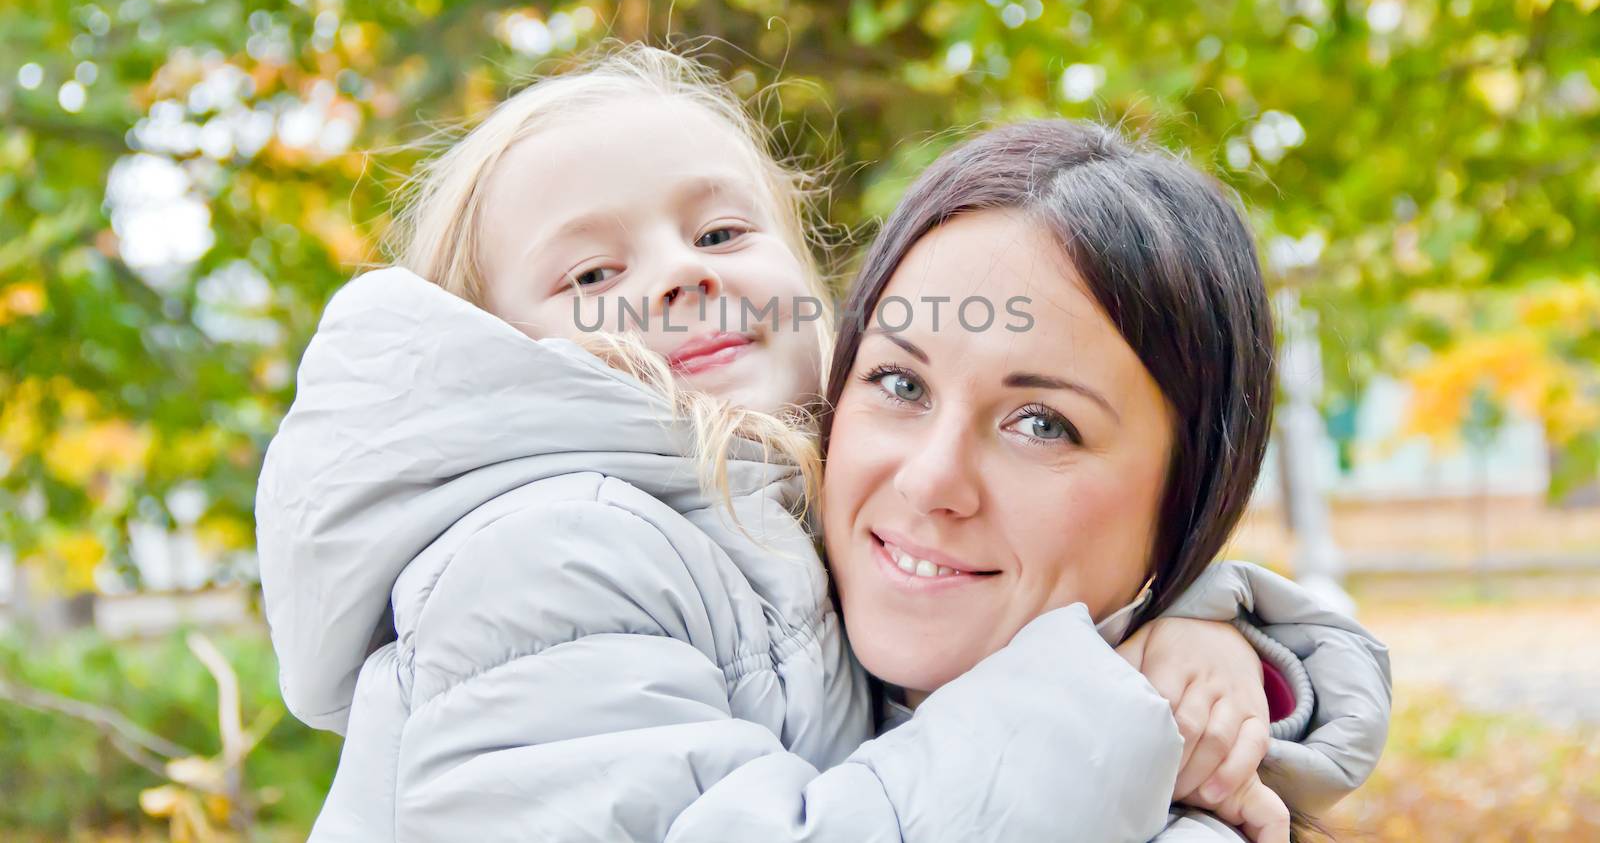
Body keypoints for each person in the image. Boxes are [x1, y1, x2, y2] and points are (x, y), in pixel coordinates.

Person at [255, 46, 1390, 842]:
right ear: (493, 345)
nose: (678, 272)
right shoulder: (543, 554)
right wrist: (1108, 701)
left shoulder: (771, 528)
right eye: (590, 273)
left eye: (719, 229)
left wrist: (1192, 625)